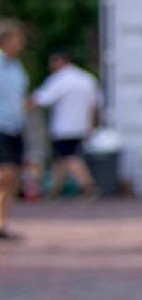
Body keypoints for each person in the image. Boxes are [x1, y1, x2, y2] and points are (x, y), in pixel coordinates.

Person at [32, 49, 102, 201]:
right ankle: (53, 190)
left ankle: (88, 185)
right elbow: (96, 104)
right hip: (82, 125)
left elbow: (42, 98)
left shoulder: (60, 79)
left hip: (64, 126)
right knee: (62, 160)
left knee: (70, 158)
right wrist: (93, 123)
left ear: (59, 62)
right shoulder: (87, 79)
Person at [0, 20, 28, 238]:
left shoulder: (17, 67)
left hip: (15, 126)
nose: (21, 44)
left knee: (12, 178)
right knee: (5, 175)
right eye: (17, 39)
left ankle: (1, 222)